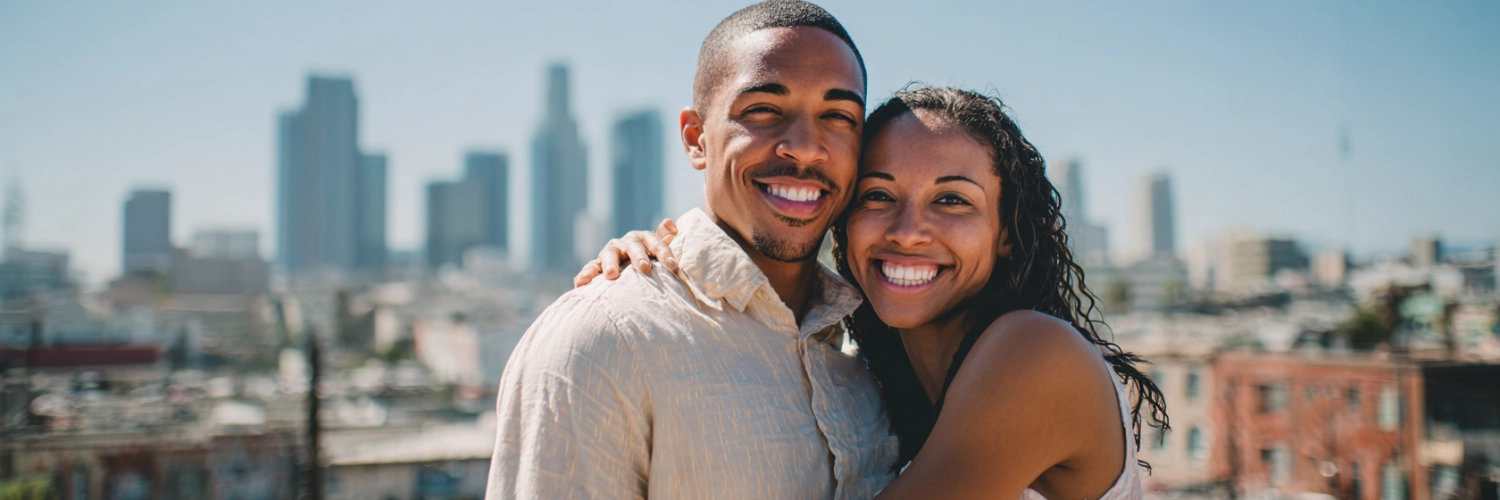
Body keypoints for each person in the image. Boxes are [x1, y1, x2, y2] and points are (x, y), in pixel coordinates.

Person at [581, 86, 1169, 499]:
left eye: (952, 200)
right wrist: (674, 259)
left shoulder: (1035, 352)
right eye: (879, 196)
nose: (907, 231)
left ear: (1008, 232)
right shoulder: (870, 381)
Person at [485, 2, 899, 499]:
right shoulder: (605, 340)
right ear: (695, 138)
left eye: (838, 116)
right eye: (764, 110)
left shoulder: (875, 349)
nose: (806, 147)